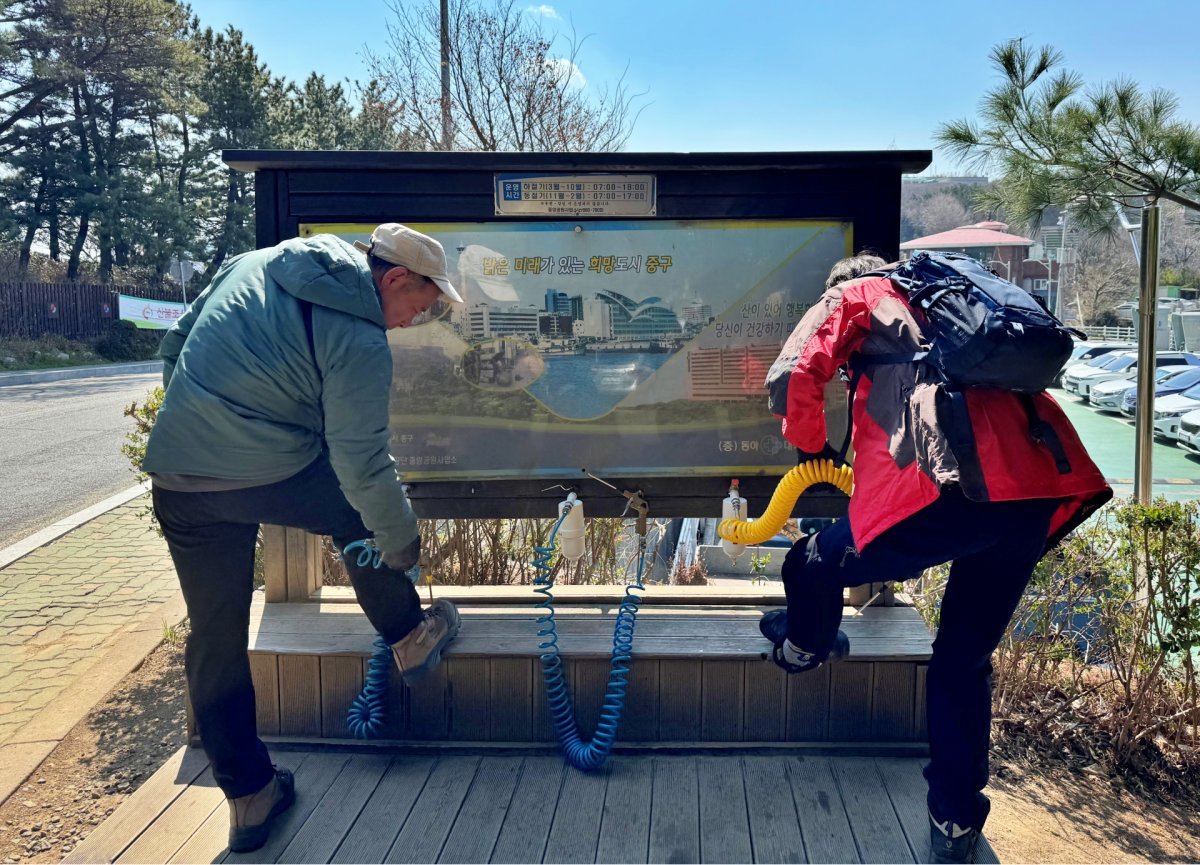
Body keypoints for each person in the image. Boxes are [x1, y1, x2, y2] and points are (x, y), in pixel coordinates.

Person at [762, 252, 1111, 863]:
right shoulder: (946, 299)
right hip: (1032, 489)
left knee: (810, 561)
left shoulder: (855, 295)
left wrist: (812, 448)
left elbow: (794, 374)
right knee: (963, 658)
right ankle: (954, 820)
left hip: (944, 489)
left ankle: (804, 647)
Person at [143, 223, 465, 853]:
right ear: (394, 279)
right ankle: (408, 634)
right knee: (357, 515)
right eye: (419, 308)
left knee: (214, 633)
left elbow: (175, 348)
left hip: (179, 476)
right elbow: (363, 460)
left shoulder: (252, 262)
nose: (411, 323)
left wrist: (206, 426)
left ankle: (249, 796)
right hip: (267, 469)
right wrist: (402, 544)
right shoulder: (361, 334)